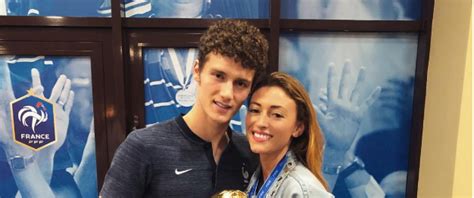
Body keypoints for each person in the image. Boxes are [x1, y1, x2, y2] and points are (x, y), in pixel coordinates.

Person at [100, 19, 268, 197]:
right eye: (219, 76)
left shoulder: (250, 153)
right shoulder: (142, 147)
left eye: (240, 83)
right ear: (197, 71)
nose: (227, 93)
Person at [245, 72, 333, 197]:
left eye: (276, 115)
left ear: (298, 128)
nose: (261, 122)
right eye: (255, 110)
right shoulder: (257, 177)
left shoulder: (301, 188)